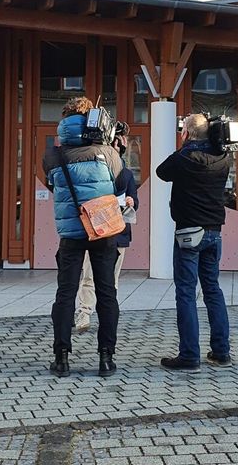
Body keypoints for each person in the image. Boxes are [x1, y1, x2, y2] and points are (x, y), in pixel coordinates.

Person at [42, 97, 124, 377]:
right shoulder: (106, 152)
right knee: (107, 293)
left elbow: (53, 184)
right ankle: (106, 358)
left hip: (71, 232)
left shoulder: (53, 155)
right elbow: (118, 179)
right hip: (102, 230)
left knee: (66, 293)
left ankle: (62, 358)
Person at [156, 113, 232, 372]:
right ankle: (221, 352)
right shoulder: (223, 157)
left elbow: (160, 172)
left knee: (186, 293)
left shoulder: (184, 157)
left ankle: (189, 355)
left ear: (186, 133)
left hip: (189, 233)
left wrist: (185, 143)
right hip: (214, 232)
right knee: (213, 290)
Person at [74, 134, 138, 333]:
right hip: (96, 231)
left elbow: (135, 199)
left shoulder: (126, 174)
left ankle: (108, 316)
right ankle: (84, 314)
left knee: (112, 280)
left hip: (118, 231)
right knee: (89, 276)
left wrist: (131, 202)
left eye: (116, 146)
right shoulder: (93, 172)